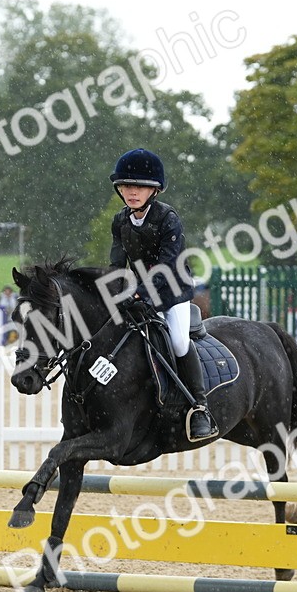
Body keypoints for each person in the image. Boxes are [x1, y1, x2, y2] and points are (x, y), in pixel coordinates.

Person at [108, 148, 216, 442]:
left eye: (140, 186)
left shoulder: (168, 218)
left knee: (178, 341)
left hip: (173, 293)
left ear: (154, 190)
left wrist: (140, 294)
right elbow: (117, 264)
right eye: (127, 186)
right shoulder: (120, 221)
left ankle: (199, 406)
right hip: (139, 294)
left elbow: (167, 267)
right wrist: (111, 292)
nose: (132, 192)